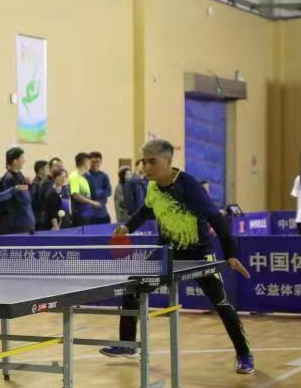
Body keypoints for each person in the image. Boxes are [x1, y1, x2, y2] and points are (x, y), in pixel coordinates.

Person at [100, 139, 254, 374]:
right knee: (132, 286)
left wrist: (230, 254)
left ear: (168, 160)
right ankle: (128, 344)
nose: (146, 167)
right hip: (167, 253)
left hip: (199, 254)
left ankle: (244, 354)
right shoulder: (152, 187)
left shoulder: (189, 187)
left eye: (152, 161)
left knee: (221, 303)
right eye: (144, 162)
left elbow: (217, 219)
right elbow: (146, 211)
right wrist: (127, 227)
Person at [0, 147, 34, 234]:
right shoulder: (10, 179)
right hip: (18, 224)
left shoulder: (19, 174)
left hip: (25, 221)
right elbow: (25, 199)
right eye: (22, 158)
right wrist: (27, 189)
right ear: (15, 161)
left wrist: (29, 185)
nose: (24, 161)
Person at [69, 152, 102, 226]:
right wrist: (92, 203)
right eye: (89, 162)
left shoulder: (84, 177)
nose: (90, 164)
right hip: (80, 214)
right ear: (85, 162)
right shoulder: (74, 176)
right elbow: (75, 195)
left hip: (88, 213)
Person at [86, 151, 112, 224]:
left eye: (98, 162)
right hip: (89, 214)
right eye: (93, 162)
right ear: (89, 162)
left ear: (101, 162)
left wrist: (99, 192)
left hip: (102, 212)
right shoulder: (85, 176)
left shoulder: (104, 176)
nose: (95, 164)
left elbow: (109, 191)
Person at [30, 160, 49, 228]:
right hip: (40, 218)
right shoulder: (36, 184)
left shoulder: (44, 182)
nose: (49, 170)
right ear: (41, 170)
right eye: (47, 168)